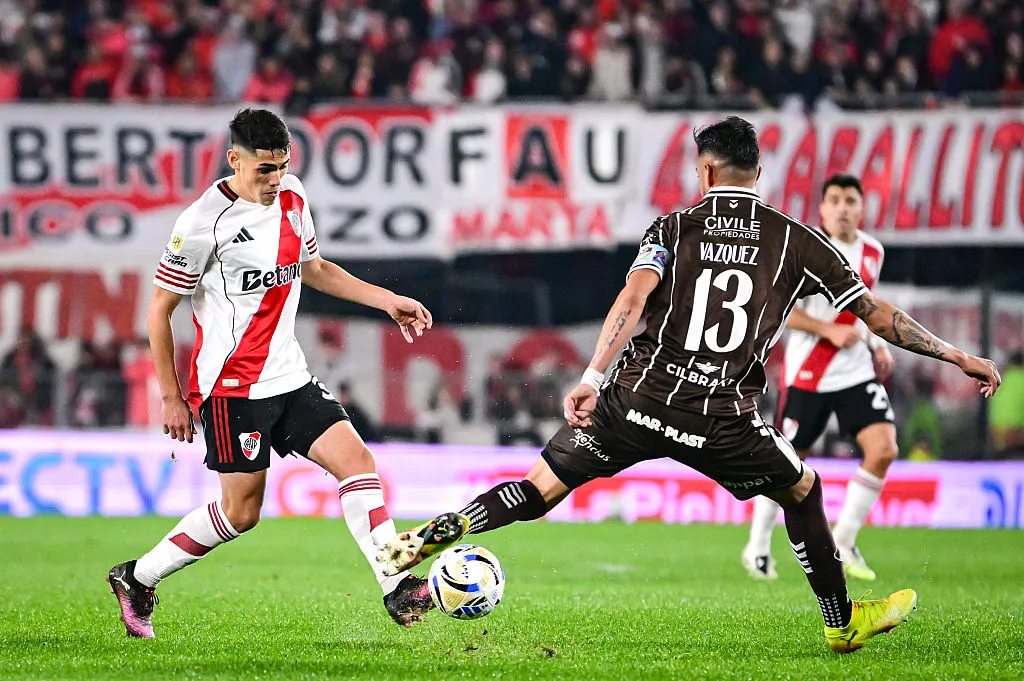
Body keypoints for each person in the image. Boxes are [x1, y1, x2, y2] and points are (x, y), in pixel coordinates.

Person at [376, 116, 1001, 653]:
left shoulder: (671, 229)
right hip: (720, 418)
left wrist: (594, 375)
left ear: (705, 173)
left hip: (636, 401)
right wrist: (956, 354)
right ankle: (841, 624)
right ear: (757, 173)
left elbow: (633, 294)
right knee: (803, 493)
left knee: (540, 489)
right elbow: (876, 315)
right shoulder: (797, 241)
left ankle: (443, 530)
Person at [106, 108, 436, 638]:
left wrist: (387, 300)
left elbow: (315, 268)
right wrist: (171, 396)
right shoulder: (201, 223)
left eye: (282, 166)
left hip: (290, 375)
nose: (275, 179)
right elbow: (158, 310)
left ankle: (395, 585)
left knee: (358, 462)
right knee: (241, 513)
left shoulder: (294, 197)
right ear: (234, 159)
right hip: (232, 387)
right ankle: (138, 578)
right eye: (264, 169)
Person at [742, 174, 896, 582]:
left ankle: (844, 540)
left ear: (861, 207)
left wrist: (879, 345)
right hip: (808, 373)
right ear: (823, 208)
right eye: (835, 200)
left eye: (851, 200)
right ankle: (757, 546)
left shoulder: (873, 252)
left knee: (883, 449)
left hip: (855, 372)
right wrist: (827, 330)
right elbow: (781, 309)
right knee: (788, 466)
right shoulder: (804, 247)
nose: (844, 207)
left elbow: (864, 308)